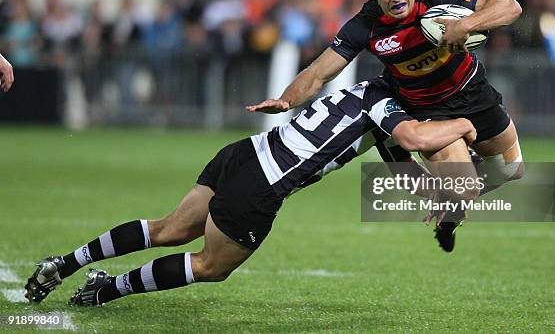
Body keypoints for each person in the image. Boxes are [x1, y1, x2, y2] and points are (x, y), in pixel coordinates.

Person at [25, 79, 476, 306]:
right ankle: (107, 290)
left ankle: (63, 264)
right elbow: (415, 140)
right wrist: (467, 123)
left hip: (246, 153)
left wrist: (431, 194)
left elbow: (396, 150)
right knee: (210, 266)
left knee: (167, 229)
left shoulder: (371, 94)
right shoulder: (390, 106)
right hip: (263, 183)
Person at [247, 0, 525, 249]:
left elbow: (510, 7)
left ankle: (449, 202)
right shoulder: (365, 25)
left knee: (511, 171)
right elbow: (318, 73)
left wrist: (466, 25)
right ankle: (452, 199)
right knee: (465, 185)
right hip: (426, 111)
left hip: (474, 93)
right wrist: (286, 100)